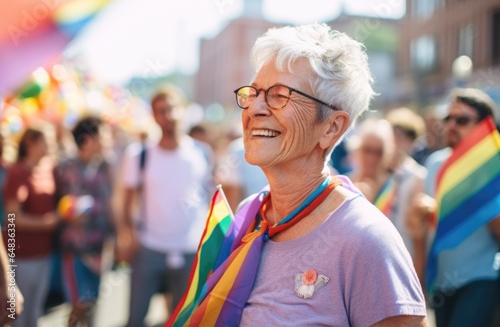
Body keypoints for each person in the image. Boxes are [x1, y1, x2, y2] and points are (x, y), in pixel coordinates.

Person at [168, 24, 427, 326]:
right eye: (253, 93)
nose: (255, 108)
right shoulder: (249, 215)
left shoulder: (366, 239)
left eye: (279, 95)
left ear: (331, 128)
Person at [120, 84, 213, 326]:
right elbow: (127, 200)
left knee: (183, 320)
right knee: (135, 318)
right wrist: (128, 235)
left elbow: (210, 197)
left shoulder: (202, 152)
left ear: (183, 110)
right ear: (154, 116)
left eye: (172, 108)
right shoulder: (139, 154)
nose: (168, 115)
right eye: (161, 110)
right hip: (149, 248)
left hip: (191, 249)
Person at [424, 88, 499, 327]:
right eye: (449, 118)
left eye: (462, 120)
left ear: (484, 127)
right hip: (441, 282)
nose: (452, 125)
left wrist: (479, 192)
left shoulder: (495, 167)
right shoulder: (436, 164)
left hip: (480, 278)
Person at [54, 117, 115, 327]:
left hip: (100, 248)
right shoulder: (65, 168)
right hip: (76, 250)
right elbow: (58, 206)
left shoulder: (107, 167)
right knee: (78, 304)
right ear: (88, 140)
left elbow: (111, 207)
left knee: (93, 304)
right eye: (104, 136)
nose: (109, 141)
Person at [3, 128, 59, 327]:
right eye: (47, 141)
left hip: (45, 251)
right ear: (31, 143)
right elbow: (12, 217)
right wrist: (45, 223)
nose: (52, 146)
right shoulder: (18, 173)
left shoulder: (50, 167)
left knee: (36, 310)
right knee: (20, 312)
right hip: (22, 254)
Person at [385, 108, 428, 280]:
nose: (397, 140)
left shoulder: (418, 176)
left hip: (405, 255)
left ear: (412, 140)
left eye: (405, 135)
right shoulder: (381, 172)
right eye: (394, 133)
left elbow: (419, 234)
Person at [348, 118, 395, 203]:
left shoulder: (394, 190)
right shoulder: (345, 184)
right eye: (367, 150)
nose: (372, 158)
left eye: (378, 152)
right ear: (357, 150)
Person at [218, 136, 268, 211]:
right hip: (251, 214)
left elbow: (231, 189)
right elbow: (231, 188)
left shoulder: (237, 148)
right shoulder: (237, 148)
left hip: (253, 214)